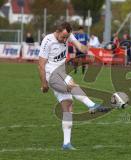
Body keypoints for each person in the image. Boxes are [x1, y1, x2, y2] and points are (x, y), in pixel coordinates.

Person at [38, 22, 108, 150]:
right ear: (58, 31)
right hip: (51, 74)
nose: (65, 40)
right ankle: (92, 105)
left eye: (67, 37)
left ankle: (66, 143)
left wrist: (88, 49)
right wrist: (44, 83)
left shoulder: (68, 35)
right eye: (63, 37)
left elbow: (80, 48)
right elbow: (41, 64)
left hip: (61, 73)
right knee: (71, 84)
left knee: (68, 106)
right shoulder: (47, 41)